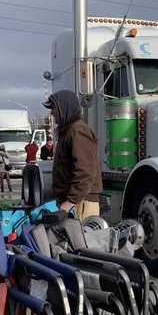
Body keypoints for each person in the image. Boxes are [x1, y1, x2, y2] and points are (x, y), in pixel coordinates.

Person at [42, 90, 102, 222]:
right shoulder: (69, 131)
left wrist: (70, 201)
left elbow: (86, 171)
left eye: (53, 108)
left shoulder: (78, 131)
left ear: (64, 107)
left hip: (81, 204)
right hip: (75, 203)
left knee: (81, 242)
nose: (51, 112)